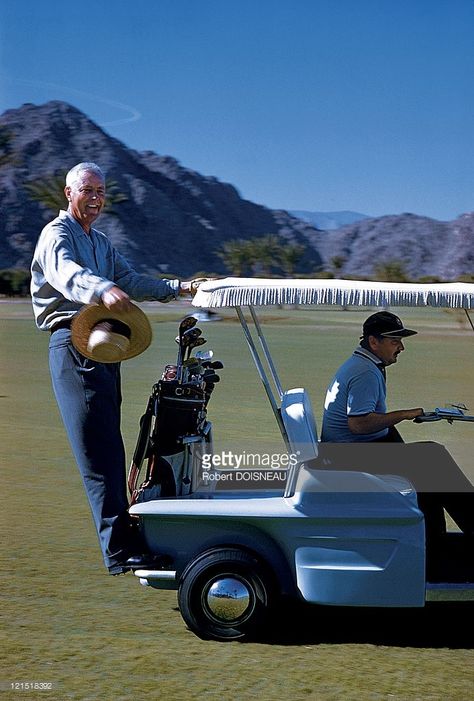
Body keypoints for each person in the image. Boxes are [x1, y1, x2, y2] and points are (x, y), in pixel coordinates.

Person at [30, 162, 207, 575]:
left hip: (107, 344)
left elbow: (127, 278)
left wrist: (177, 288)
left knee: (112, 443)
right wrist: (101, 288)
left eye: (101, 192)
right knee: (98, 451)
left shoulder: (101, 241)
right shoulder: (56, 235)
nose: (95, 198)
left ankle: (130, 538)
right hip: (73, 344)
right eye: (87, 190)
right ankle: (119, 551)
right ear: (68, 194)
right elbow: (66, 274)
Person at [320, 311, 474, 566]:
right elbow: (358, 424)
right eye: (394, 341)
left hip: (349, 450)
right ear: (373, 342)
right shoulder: (364, 372)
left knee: (429, 462)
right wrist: (403, 414)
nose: (401, 347)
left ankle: (433, 545)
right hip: (346, 456)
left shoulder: (365, 365)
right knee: (433, 458)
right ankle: (443, 543)